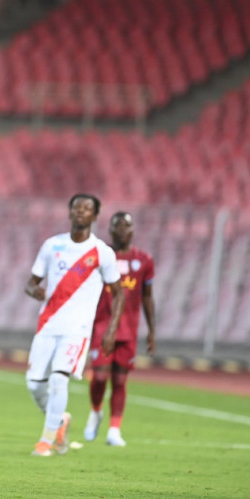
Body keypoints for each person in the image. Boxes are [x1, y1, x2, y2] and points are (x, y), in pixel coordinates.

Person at [23, 193, 124, 457]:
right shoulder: (52, 245)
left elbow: (118, 291)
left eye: (87, 208)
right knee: (34, 384)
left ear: (95, 215)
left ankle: (46, 441)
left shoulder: (102, 252)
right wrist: (34, 291)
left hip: (76, 330)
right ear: (69, 212)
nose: (81, 211)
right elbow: (31, 282)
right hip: (47, 324)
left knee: (58, 380)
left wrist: (112, 329)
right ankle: (60, 420)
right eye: (76, 207)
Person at [84, 211, 156, 447]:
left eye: (128, 225)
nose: (123, 230)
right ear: (111, 230)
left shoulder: (144, 260)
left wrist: (152, 330)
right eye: (119, 225)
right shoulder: (102, 257)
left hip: (129, 330)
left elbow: (147, 297)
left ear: (133, 230)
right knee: (100, 377)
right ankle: (96, 411)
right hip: (102, 328)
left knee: (120, 381)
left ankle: (114, 430)